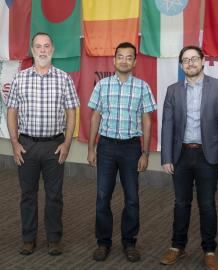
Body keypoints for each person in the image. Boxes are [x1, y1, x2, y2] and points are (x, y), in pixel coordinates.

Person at [160, 45, 218, 270]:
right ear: (182, 65)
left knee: (207, 205)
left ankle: (209, 250)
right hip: (180, 155)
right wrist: (166, 157)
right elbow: (168, 125)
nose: (190, 63)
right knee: (181, 203)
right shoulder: (173, 90)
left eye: (194, 59)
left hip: (208, 155)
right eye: (185, 60)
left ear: (203, 61)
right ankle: (177, 247)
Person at [6, 32, 80, 256]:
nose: (42, 50)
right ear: (32, 50)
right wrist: (14, 143)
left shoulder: (64, 78)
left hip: (54, 146)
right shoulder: (20, 78)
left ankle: (54, 240)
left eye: (46, 46)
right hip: (26, 145)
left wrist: (67, 143)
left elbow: (71, 112)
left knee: (54, 195)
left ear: (53, 50)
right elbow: (11, 112)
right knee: (28, 194)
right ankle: (28, 239)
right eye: (38, 46)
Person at [87, 42, 157, 262]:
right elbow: (95, 116)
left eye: (129, 57)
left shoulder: (142, 87)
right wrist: (91, 148)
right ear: (114, 60)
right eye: (120, 56)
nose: (124, 60)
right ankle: (103, 243)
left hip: (131, 149)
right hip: (106, 147)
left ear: (134, 62)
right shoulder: (102, 85)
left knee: (132, 198)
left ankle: (129, 243)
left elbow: (147, 120)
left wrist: (145, 152)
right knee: (102, 197)